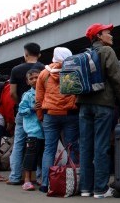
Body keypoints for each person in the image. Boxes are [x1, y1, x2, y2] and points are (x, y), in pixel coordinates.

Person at [77, 23, 120, 199]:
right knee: (101, 145)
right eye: (108, 33)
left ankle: (86, 188)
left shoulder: (84, 53)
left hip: (84, 105)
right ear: (99, 36)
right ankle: (100, 189)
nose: (111, 36)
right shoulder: (107, 52)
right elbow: (117, 79)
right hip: (103, 104)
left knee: (85, 146)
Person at [35, 47, 79, 193]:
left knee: (49, 149)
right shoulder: (74, 71)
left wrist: (41, 116)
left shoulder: (44, 73)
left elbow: (38, 99)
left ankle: (45, 184)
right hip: (70, 114)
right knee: (71, 147)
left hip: (50, 115)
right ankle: (72, 181)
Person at [7, 42, 44, 185]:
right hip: (40, 113)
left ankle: (15, 177)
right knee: (42, 144)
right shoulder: (43, 68)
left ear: (25, 54)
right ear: (39, 54)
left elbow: (12, 93)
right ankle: (41, 178)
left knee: (19, 144)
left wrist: (21, 104)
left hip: (23, 113)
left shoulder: (16, 70)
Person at [18, 69, 43, 191]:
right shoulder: (27, 95)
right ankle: (27, 180)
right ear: (27, 82)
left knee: (42, 156)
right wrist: (32, 109)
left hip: (44, 131)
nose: (34, 80)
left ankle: (40, 178)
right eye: (31, 78)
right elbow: (21, 111)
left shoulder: (45, 92)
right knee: (30, 155)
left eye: (37, 77)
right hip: (33, 130)